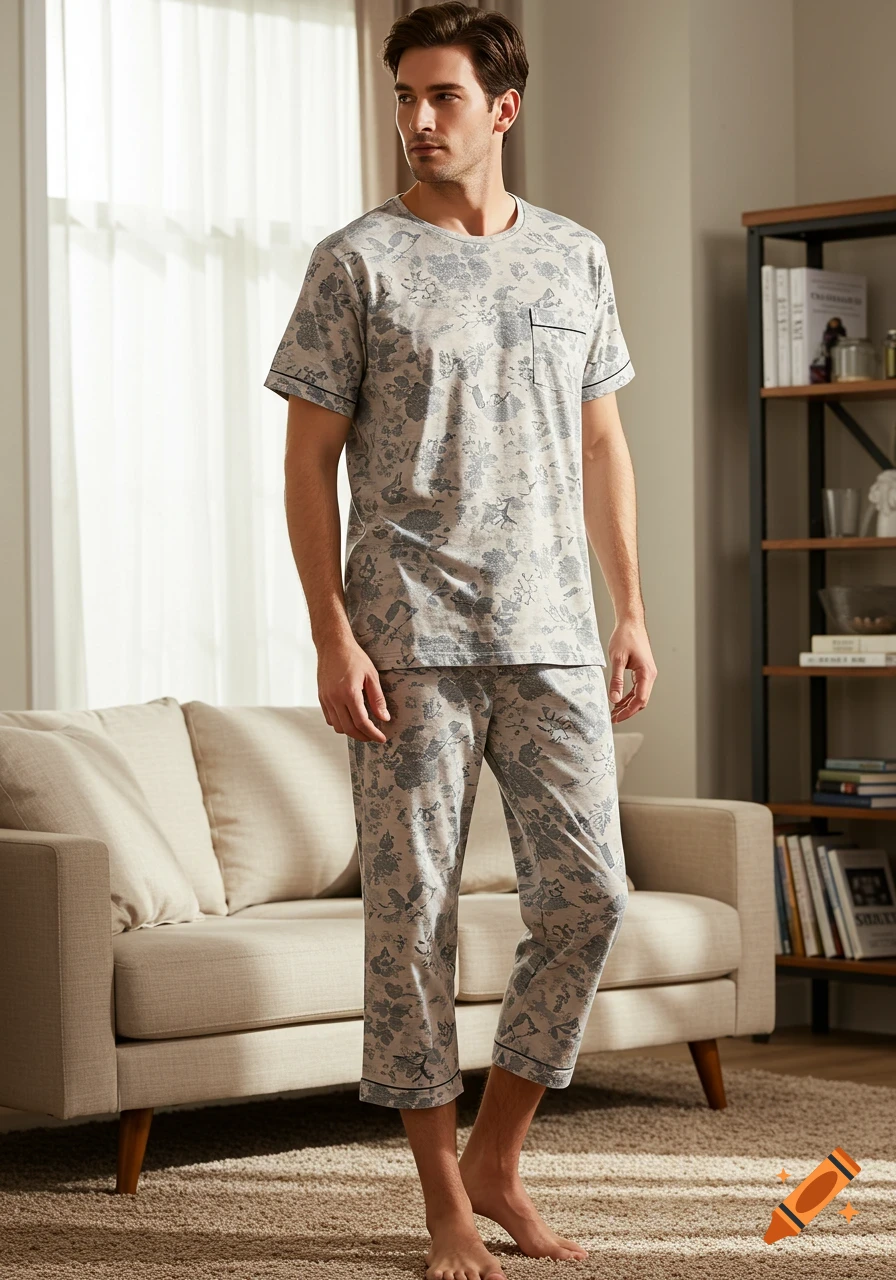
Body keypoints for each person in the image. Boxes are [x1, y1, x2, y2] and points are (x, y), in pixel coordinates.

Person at [264, 5, 657, 1277]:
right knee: (413, 917)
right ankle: (442, 1193)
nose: (416, 121)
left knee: (588, 894)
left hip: (550, 632)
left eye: (440, 97)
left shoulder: (575, 257)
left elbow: (601, 445)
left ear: (502, 108)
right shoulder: (354, 260)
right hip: (410, 636)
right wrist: (333, 633)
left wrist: (630, 605)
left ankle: (500, 1152)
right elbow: (306, 463)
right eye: (403, 98)